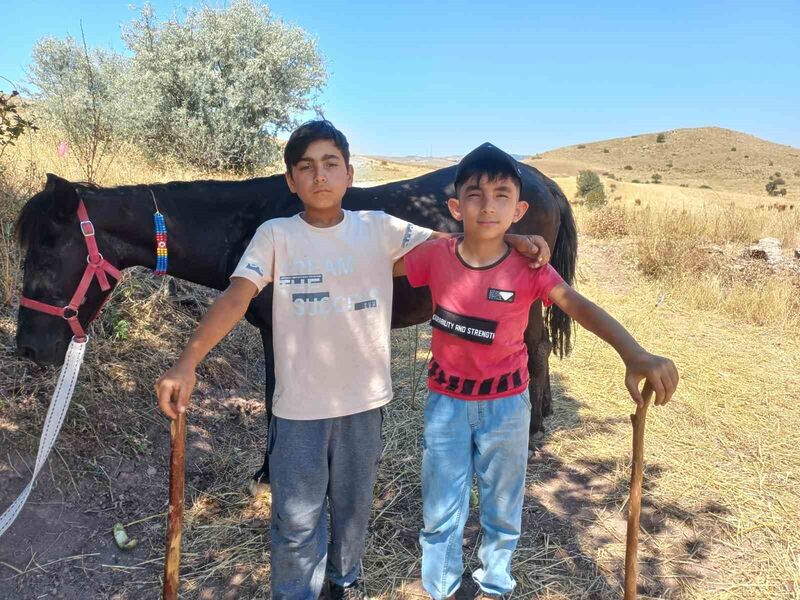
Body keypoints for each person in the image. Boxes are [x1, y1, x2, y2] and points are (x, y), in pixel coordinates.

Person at [155, 122, 551, 600]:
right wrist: (187, 361)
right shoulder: (275, 235)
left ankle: (344, 584)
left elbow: (460, 245)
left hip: (364, 403)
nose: (319, 176)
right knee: (296, 519)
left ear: (349, 174)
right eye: (306, 167)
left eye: (330, 165)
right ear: (290, 181)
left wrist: (514, 240)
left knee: (353, 510)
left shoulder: (379, 228)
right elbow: (237, 298)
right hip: (298, 408)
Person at [397, 143, 679, 600]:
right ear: (455, 206)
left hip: (507, 408)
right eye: (474, 195)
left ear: (519, 209)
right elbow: (380, 265)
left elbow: (579, 305)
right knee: (440, 510)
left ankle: (493, 586)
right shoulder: (436, 257)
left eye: (501, 195)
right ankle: (442, 588)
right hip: (446, 405)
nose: (487, 205)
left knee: (502, 509)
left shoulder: (530, 269)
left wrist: (634, 352)